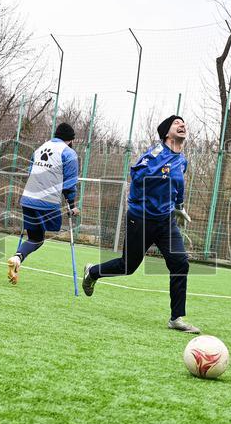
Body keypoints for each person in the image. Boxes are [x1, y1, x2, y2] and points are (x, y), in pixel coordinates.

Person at [81, 115, 198, 333]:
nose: (182, 125)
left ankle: (176, 318)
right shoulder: (154, 155)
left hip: (165, 221)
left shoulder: (182, 161)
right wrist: (146, 198)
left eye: (184, 124)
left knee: (180, 262)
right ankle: (93, 272)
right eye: (176, 123)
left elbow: (178, 185)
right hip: (141, 217)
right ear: (166, 133)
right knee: (128, 266)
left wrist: (179, 206)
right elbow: (136, 177)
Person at [6, 123, 80, 285]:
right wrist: (72, 205)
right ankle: (17, 257)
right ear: (70, 139)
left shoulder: (40, 149)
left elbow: (31, 172)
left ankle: (17, 258)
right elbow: (69, 183)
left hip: (27, 199)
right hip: (47, 203)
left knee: (34, 237)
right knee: (38, 240)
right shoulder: (69, 153)